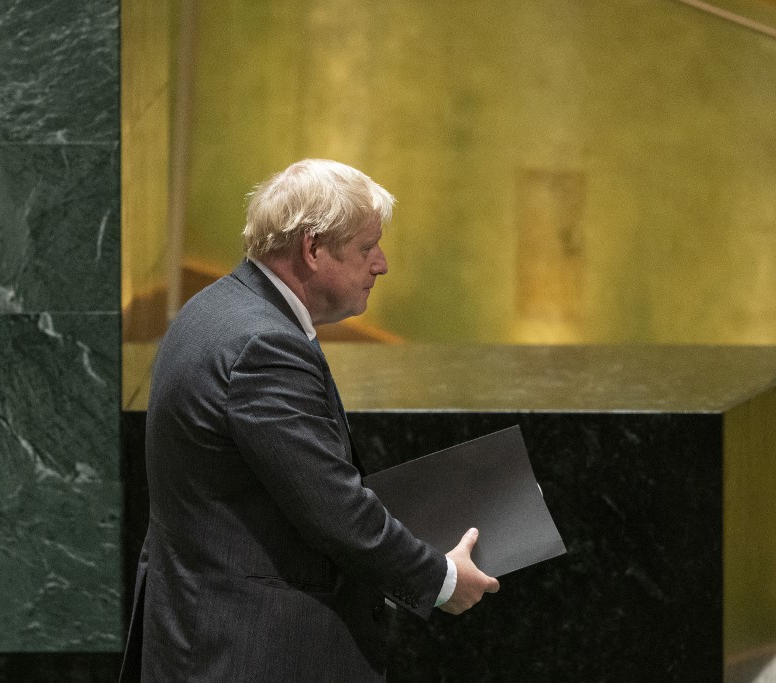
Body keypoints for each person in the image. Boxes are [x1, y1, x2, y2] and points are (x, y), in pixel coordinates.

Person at [120, 159, 500, 681]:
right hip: (249, 649)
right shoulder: (263, 346)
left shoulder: (216, 307)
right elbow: (334, 511)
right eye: (366, 248)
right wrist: (442, 580)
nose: (382, 264)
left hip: (204, 627)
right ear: (313, 249)